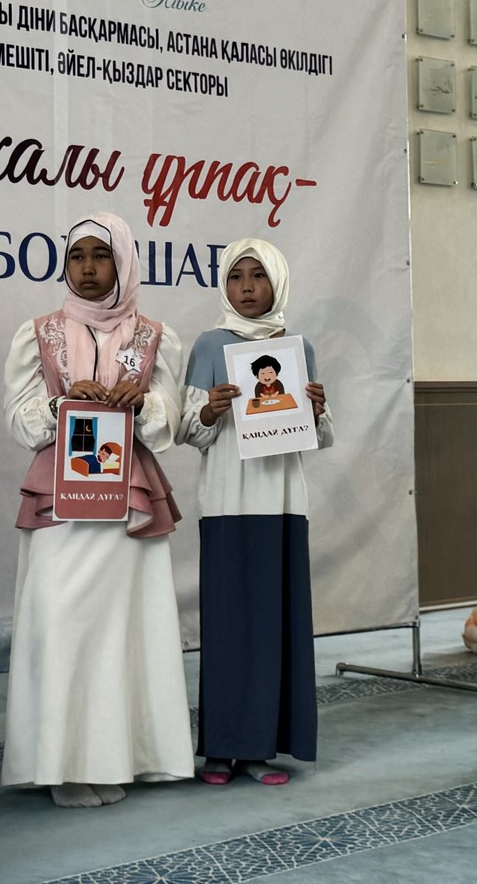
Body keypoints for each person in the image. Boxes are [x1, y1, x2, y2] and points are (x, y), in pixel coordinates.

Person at [1, 213, 194, 807]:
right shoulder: (38, 333)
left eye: (101, 255)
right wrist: (61, 403)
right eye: (77, 256)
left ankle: (114, 759)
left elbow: (169, 423)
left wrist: (144, 403)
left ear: (125, 262)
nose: (87, 268)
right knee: (60, 620)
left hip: (127, 502)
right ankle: (61, 765)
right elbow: (18, 421)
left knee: (120, 628)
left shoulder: (157, 336)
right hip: (62, 500)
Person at [180, 239, 331, 786]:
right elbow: (186, 430)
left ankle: (260, 747)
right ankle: (221, 749)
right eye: (236, 276)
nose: (246, 286)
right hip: (227, 501)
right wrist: (209, 410)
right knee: (227, 625)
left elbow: (319, 435)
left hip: (284, 503)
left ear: (278, 282)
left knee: (273, 625)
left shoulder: (297, 347)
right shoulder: (209, 344)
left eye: (258, 275)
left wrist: (316, 409)